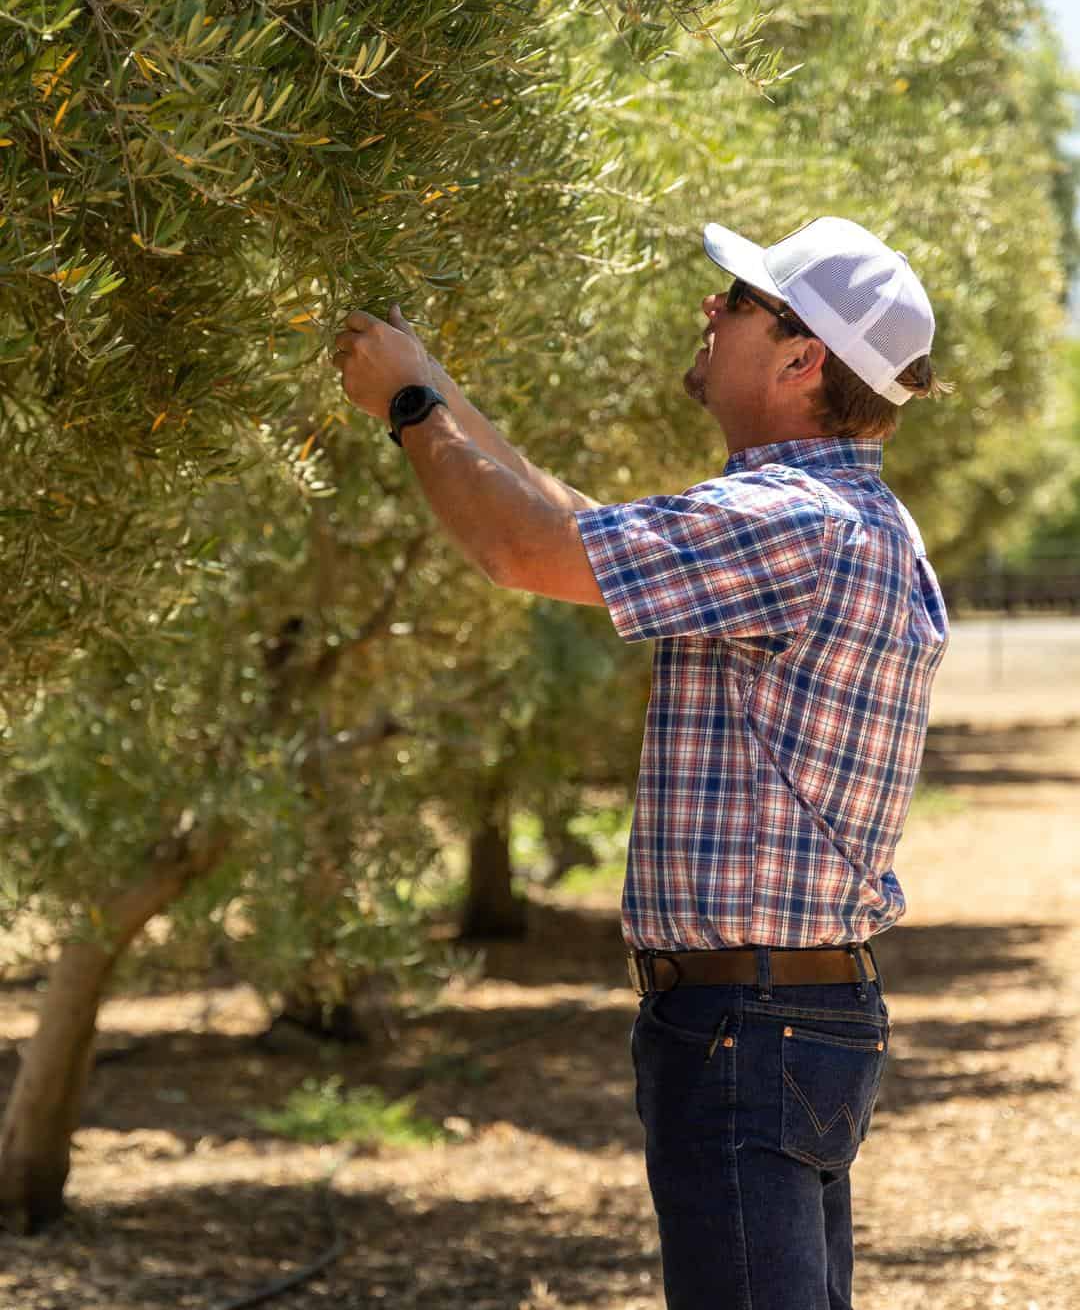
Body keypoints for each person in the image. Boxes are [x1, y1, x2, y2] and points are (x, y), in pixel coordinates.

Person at [332, 215, 951, 1310]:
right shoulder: (849, 518)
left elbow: (520, 547)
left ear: (802, 357)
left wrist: (408, 407)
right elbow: (572, 523)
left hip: (745, 1025)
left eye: (740, 301)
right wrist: (432, 379)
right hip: (793, 1014)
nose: (712, 309)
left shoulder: (785, 521)